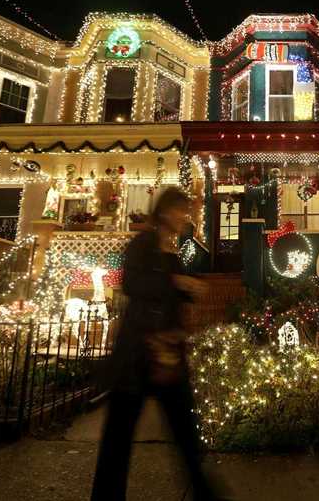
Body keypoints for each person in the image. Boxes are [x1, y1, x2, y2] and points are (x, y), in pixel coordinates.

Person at [91, 188, 220, 501]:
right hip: (137, 353)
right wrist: (176, 283)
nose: (184, 217)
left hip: (167, 353)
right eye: (180, 210)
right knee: (118, 438)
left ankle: (204, 492)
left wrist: (192, 289)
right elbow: (132, 283)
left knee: (185, 432)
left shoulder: (172, 254)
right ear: (164, 211)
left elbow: (171, 294)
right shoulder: (142, 244)